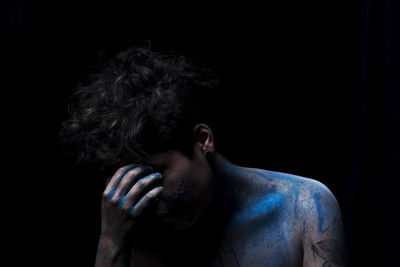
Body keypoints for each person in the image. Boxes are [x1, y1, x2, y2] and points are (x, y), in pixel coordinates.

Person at [60, 45, 348, 267]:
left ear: (202, 140)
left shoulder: (304, 208)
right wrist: (111, 245)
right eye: (130, 177)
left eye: (154, 170)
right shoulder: (131, 228)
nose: (148, 196)